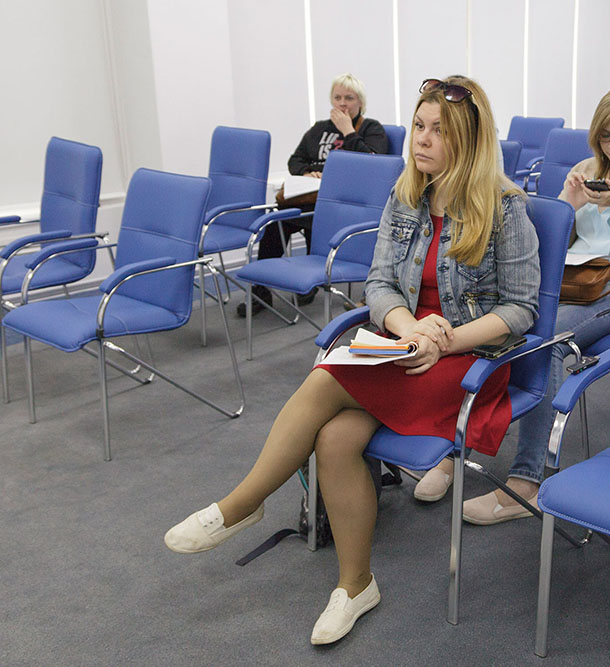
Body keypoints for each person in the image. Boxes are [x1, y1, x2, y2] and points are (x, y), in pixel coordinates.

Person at [165, 76, 539, 645]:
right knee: (335, 438)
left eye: (438, 131)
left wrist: (444, 340)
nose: (421, 139)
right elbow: (380, 283)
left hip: (466, 364)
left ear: (468, 140)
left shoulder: (505, 208)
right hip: (405, 348)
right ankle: (356, 584)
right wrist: (409, 328)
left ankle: (245, 502)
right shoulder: (406, 195)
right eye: (419, 126)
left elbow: (520, 310)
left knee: (328, 376)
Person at [412, 84, 610, 524]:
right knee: (493, 326)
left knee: (547, 341)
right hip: (569, 280)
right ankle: (452, 452)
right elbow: (545, 241)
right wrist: (567, 204)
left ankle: (526, 484)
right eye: (606, 136)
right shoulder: (584, 169)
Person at [238, 73, 390, 317]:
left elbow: (374, 165)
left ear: (360, 102)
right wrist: (307, 173)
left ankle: (312, 282)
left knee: (316, 221)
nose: (342, 103)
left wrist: (348, 131)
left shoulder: (371, 129)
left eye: (349, 98)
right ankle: (260, 291)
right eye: (337, 98)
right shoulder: (319, 129)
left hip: (345, 204)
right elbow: (295, 160)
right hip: (312, 196)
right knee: (277, 222)